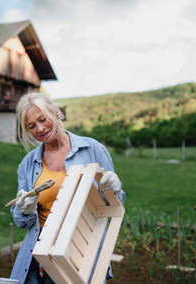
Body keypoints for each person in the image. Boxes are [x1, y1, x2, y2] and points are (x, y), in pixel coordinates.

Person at [10, 92, 125, 284]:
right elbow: (22, 222)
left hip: (84, 257)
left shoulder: (92, 149)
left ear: (55, 112)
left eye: (42, 119)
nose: (40, 128)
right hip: (42, 261)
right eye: (32, 126)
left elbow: (114, 204)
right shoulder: (27, 164)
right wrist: (24, 209)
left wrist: (113, 188)